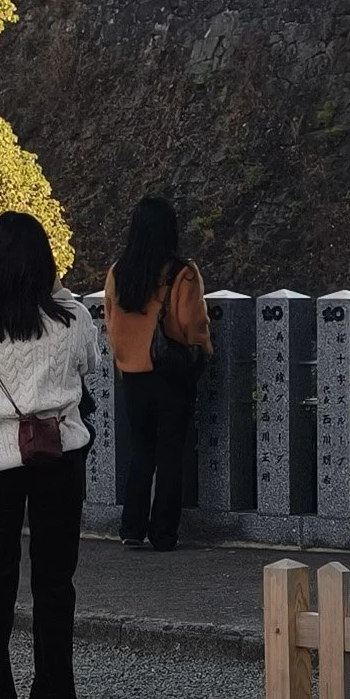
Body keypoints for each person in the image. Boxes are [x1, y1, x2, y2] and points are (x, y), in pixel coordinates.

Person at [0, 211, 99, 699]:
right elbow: (90, 366)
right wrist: (58, 292)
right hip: (56, 453)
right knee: (55, 579)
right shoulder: (73, 319)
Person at [102, 195, 210, 552]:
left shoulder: (119, 271)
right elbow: (192, 324)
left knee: (141, 451)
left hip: (132, 375)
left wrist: (125, 358)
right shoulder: (182, 273)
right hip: (170, 374)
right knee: (170, 454)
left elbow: (110, 321)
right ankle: (164, 533)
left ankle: (131, 527)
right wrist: (202, 352)